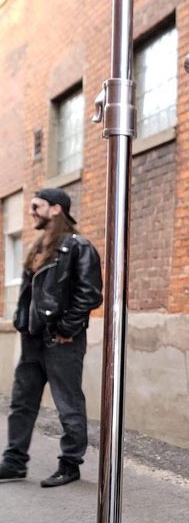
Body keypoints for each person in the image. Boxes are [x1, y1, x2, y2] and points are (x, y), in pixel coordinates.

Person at [0, 187, 103, 487]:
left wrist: (66, 330)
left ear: (56, 209)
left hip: (61, 341)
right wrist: (22, 323)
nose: (31, 211)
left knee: (68, 404)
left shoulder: (77, 247)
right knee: (22, 402)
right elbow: (30, 295)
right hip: (32, 339)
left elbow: (90, 294)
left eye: (37, 206)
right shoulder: (38, 247)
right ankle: (14, 462)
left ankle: (70, 465)